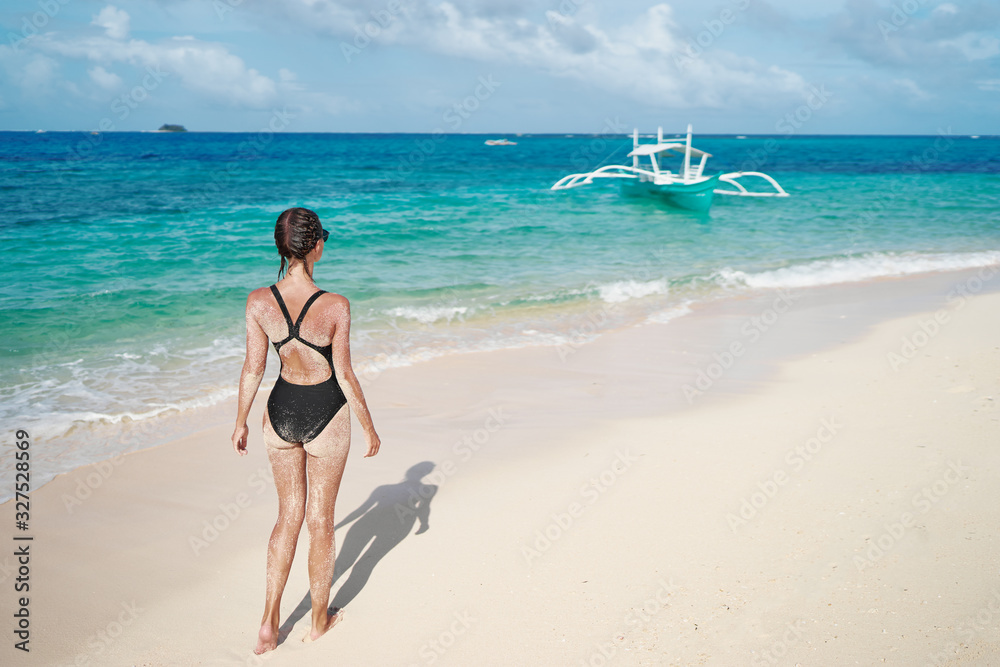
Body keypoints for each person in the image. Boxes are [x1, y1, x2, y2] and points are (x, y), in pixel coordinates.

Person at [230, 207, 381, 655]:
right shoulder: (336, 305)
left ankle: (268, 622)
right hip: (327, 413)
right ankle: (318, 621)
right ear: (316, 245)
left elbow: (253, 368)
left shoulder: (259, 301)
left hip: (279, 413)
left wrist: (239, 421)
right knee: (320, 521)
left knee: (287, 516)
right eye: (324, 239)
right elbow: (347, 375)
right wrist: (370, 427)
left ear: (281, 248)